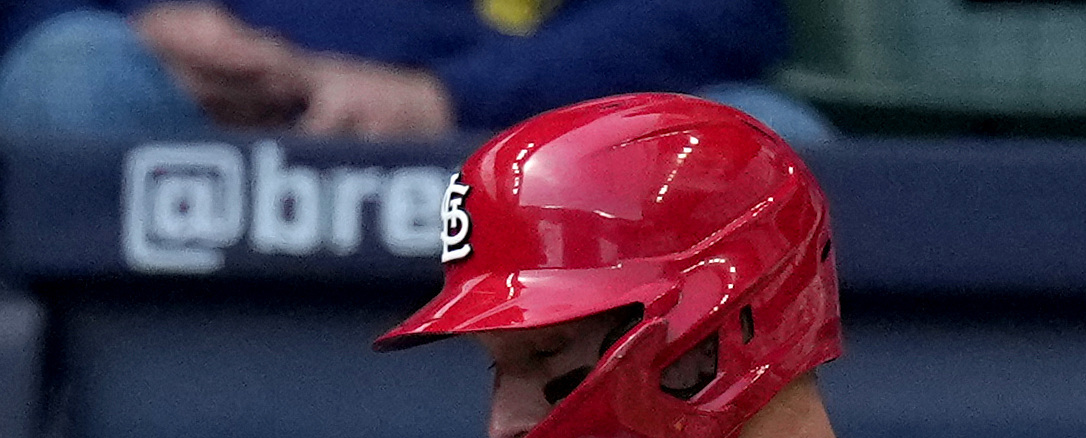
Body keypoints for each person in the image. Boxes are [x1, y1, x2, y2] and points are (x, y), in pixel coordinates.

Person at [0, 0, 828, 146]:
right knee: (69, 71)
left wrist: (444, 98)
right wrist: (159, 16)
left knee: (774, 141)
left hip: (527, 142)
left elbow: (727, 13)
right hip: (221, 121)